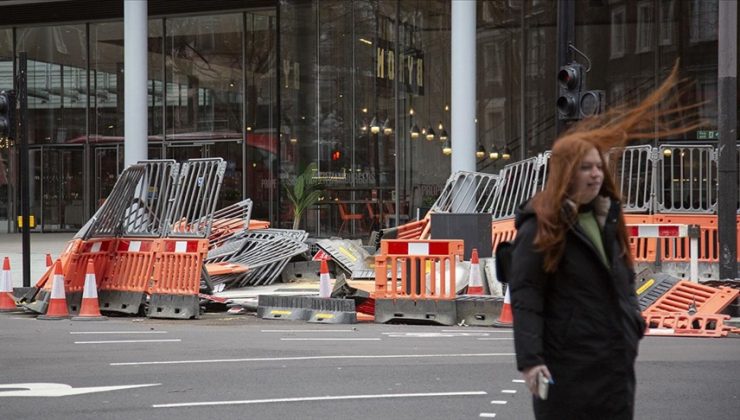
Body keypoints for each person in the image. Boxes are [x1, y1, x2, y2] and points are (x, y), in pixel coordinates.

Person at [507, 62, 701, 420]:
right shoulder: (541, 225)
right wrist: (531, 362)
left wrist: (632, 322)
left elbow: (623, 279)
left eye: (599, 166)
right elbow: (526, 296)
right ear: (566, 172)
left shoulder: (606, 218)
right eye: (586, 167)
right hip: (568, 368)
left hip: (613, 364)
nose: (596, 173)